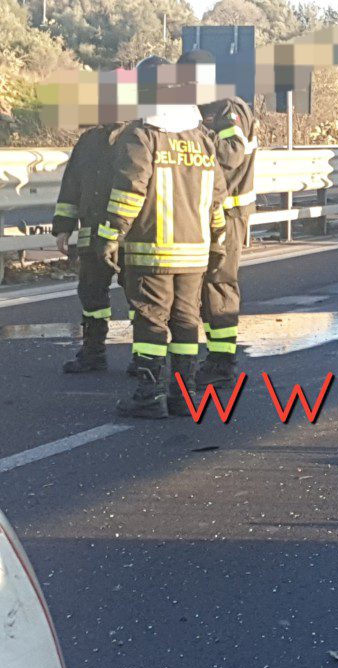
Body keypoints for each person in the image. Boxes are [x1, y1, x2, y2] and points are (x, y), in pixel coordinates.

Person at [97, 57, 228, 418]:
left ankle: (148, 394)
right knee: (186, 321)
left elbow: (129, 191)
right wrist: (219, 240)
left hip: (151, 252)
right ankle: (184, 397)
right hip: (195, 254)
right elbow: (218, 198)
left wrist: (110, 237)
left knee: (151, 321)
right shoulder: (202, 138)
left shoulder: (142, 136)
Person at [177, 50, 258, 389]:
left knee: (219, 283)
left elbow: (231, 154)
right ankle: (209, 355)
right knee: (199, 285)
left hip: (229, 212)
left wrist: (195, 145)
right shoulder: (200, 110)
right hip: (205, 210)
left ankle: (222, 362)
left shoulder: (230, 108)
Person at [53, 120, 131, 373]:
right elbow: (71, 184)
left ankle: (145, 359)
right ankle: (93, 351)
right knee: (90, 293)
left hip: (129, 235)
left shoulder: (141, 137)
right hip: (93, 231)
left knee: (139, 297)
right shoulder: (89, 140)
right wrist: (64, 226)